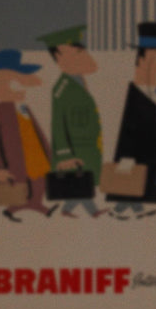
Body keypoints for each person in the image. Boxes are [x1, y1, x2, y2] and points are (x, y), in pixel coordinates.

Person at [37, 25, 107, 218]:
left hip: (88, 147)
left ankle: (71, 210)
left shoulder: (79, 81)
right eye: (76, 54)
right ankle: (87, 211)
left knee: (82, 182)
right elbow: (58, 125)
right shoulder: (62, 89)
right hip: (75, 150)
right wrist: (64, 155)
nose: (84, 57)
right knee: (79, 182)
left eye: (82, 52)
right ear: (59, 58)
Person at [0, 49, 56, 222]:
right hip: (16, 159)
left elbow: (36, 130)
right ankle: (14, 207)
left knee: (38, 181)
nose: (22, 86)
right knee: (19, 184)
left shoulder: (22, 107)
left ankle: (36, 203)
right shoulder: (3, 111)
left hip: (35, 156)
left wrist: (47, 151)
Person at [107, 22, 156, 219]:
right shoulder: (137, 92)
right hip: (134, 150)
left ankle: (135, 205)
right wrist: (125, 159)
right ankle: (125, 205)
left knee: (147, 167)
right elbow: (129, 131)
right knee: (132, 168)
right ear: (143, 58)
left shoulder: (154, 91)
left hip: (149, 151)